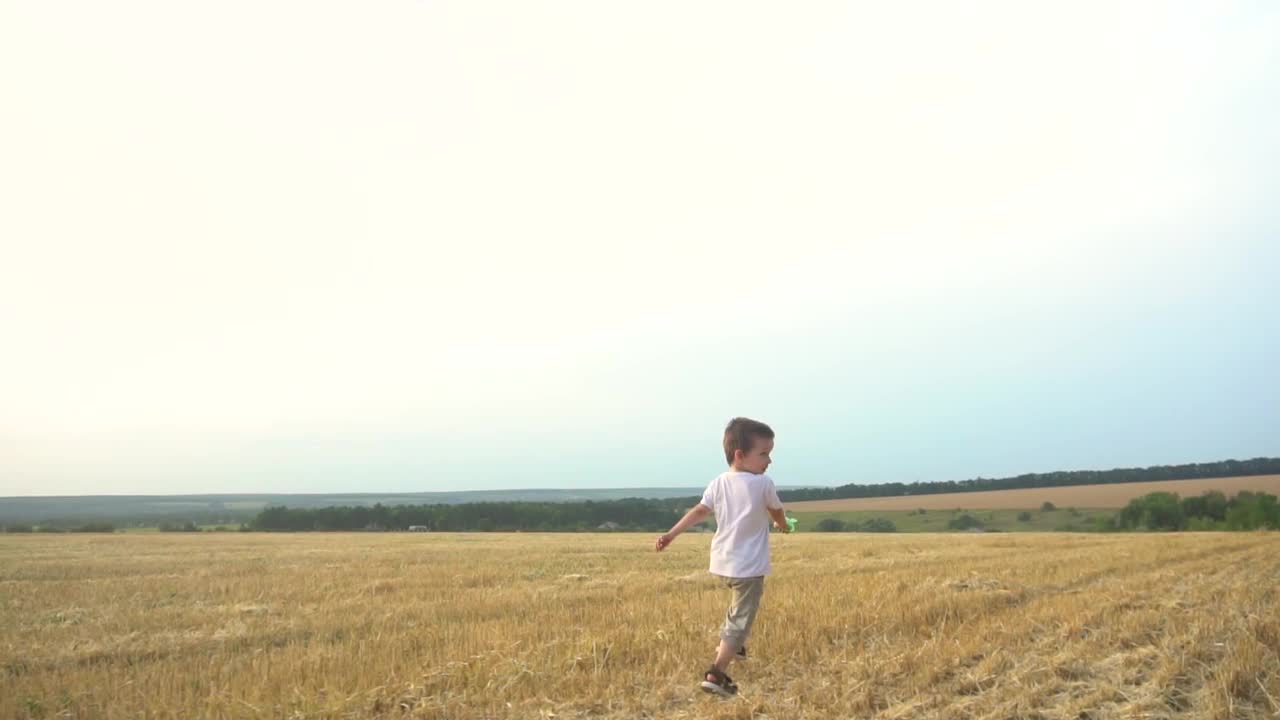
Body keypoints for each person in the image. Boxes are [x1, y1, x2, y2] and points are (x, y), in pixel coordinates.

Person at [654, 416, 789, 697]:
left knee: (738, 607)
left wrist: (671, 534)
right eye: (764, 453)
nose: (769, 461)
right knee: (742, 616)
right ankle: (717, 673)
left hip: (722, 563)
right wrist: (783, 525)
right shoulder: (763, 483)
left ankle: (734, 643)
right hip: (749, 567)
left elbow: (699, 511)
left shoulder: (718, 482)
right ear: (740, 455)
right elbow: (776, 511)